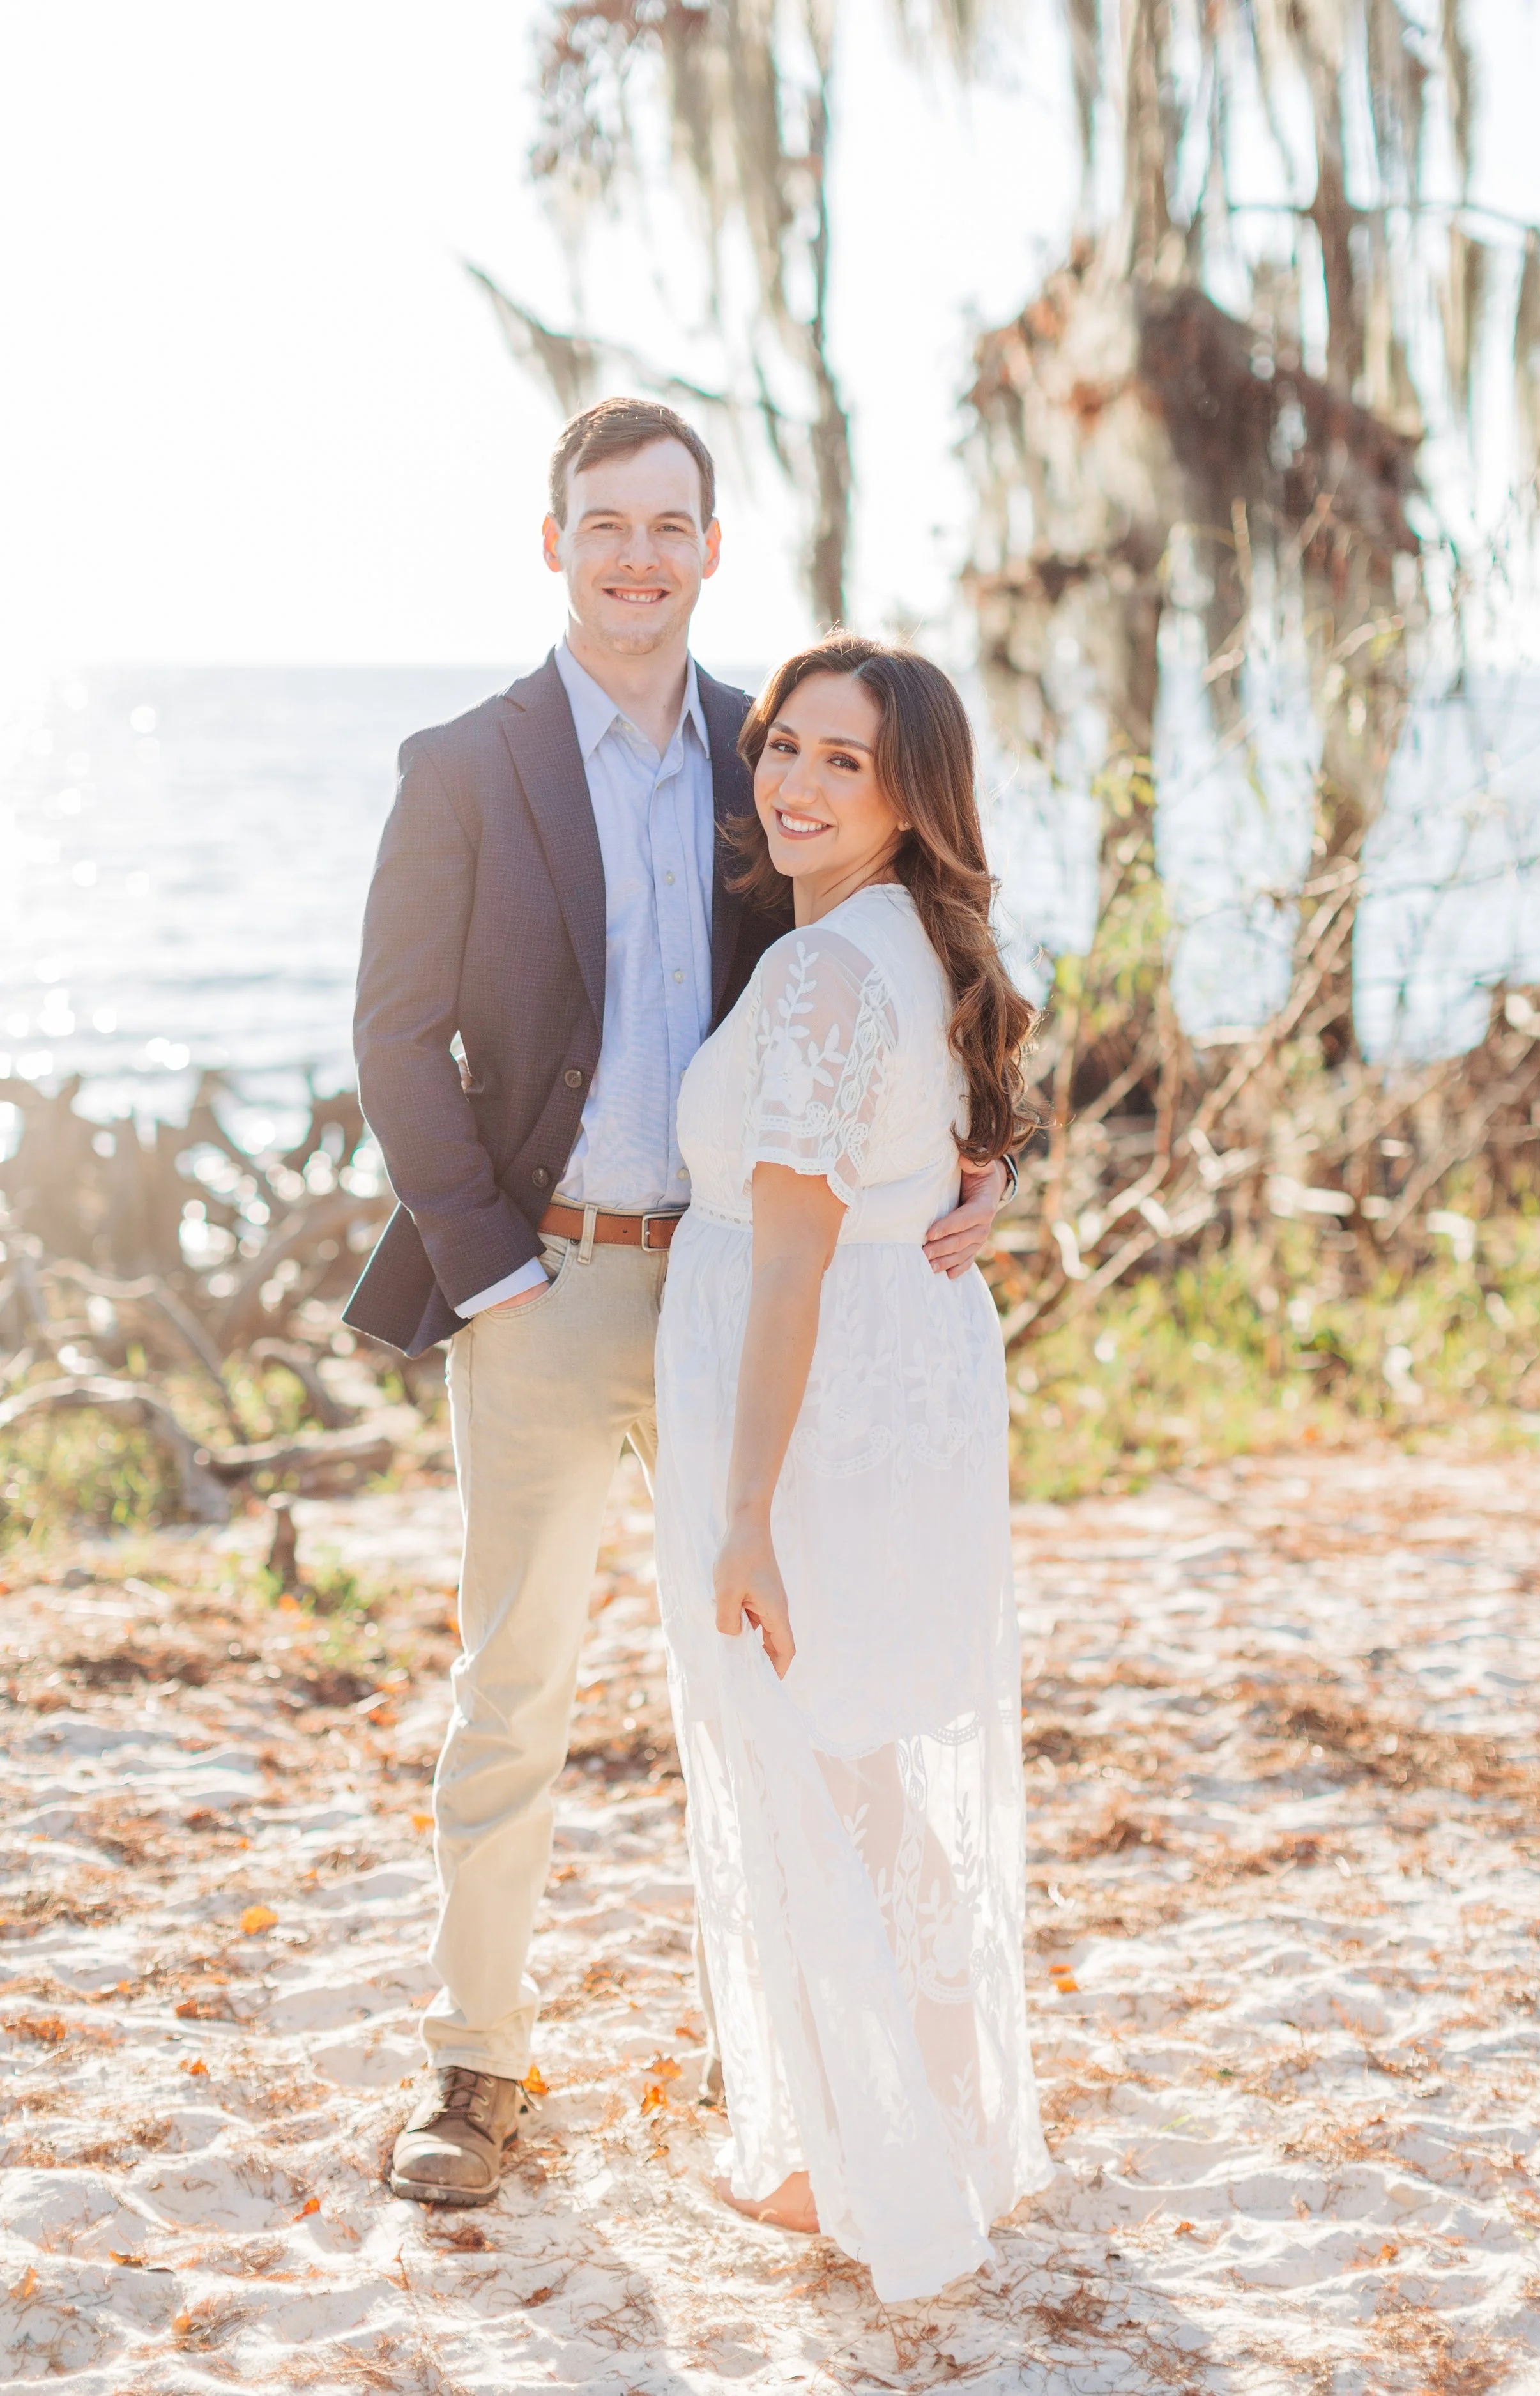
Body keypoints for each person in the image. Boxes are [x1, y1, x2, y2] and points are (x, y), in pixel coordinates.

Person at [344, 400, 1011, 2206]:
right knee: (516, 1683)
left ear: (711, 547)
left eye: (668, 524)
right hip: (545, 1281)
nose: (635, 553)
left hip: (743, 1292)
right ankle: (476, 2064)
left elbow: (919, 948)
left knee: (775, 1677)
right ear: (550, 539)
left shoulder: (771, 751)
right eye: (602, 522)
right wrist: (490, 1267)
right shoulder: (462, 767)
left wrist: (973, 1158)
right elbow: (396, 1041)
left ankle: (779, 2053)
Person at [653, 634, 1054, 2302]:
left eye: (846, 764)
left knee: (813, 1764)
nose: (799, 787)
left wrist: (742, 1513)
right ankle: (939, 2122)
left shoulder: (826, 972)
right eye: (784, 748)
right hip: (908, 1385)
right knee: (868, 1759)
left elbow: (795, 1259)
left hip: (815, 1411)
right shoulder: (901, 941)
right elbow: (926, 1158)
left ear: (907, 800)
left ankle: (858, 2166)